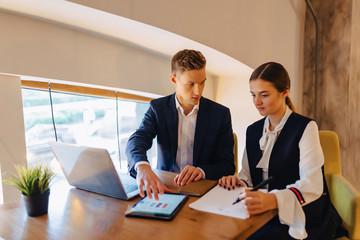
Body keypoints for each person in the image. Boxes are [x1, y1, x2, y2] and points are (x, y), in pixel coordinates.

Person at [219, 62, 343, 239]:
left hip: (302, 214)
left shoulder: (306, 127)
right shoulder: (253, 130)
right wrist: (238, 182)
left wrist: (272, 200)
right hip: (263, 212)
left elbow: (312, 185)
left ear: (284, 92)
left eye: (264, 95)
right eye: (253, 95)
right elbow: (246, 175)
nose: (257, 102)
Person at [126, 49, 235, 201]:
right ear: (174, 79)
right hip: (166, 190)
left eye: (202, 82)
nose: (198, 91)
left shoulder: (220, 114)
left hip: (204, 194)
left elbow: (227, 165)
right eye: (190, 84)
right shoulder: (158, 108)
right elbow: (137, 139)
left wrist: (202, 171)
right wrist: (142, 166)